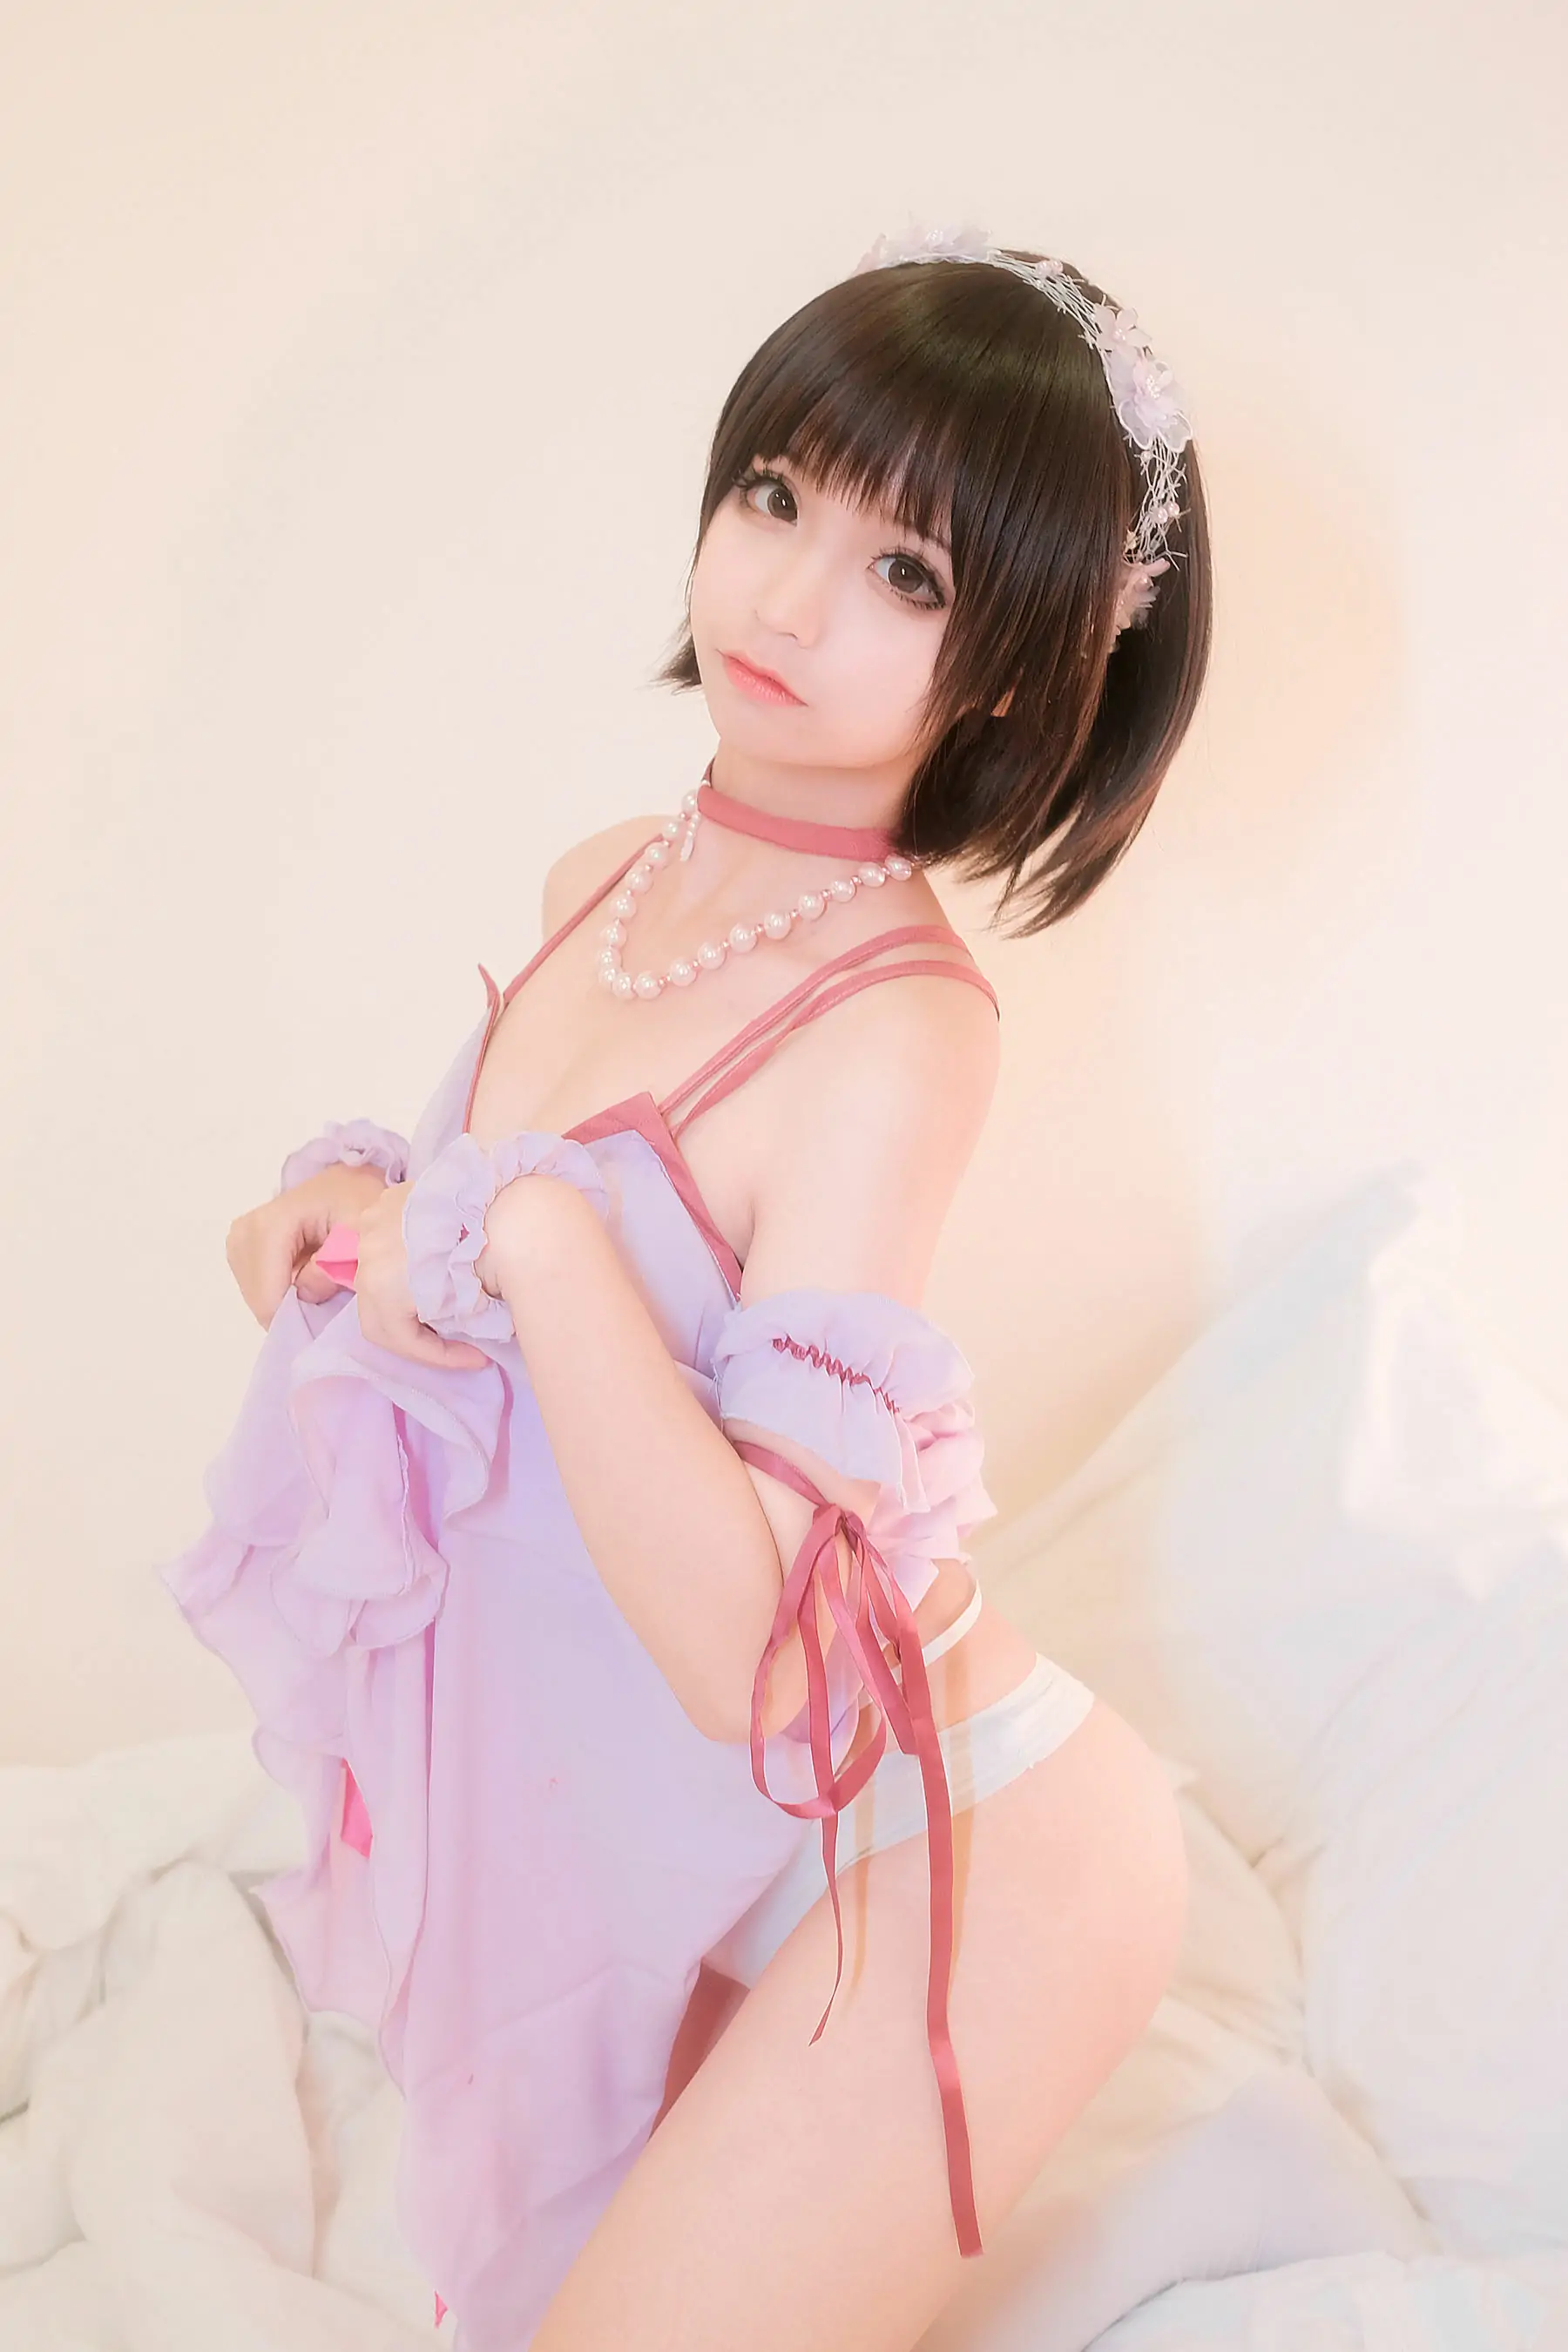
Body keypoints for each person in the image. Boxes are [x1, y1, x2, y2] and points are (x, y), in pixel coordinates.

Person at [162, 220, 1208, 2352]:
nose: (789, 598)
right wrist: (347, 1217)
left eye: (905, 572)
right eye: (773, 495)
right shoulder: (606, 886)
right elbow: (479, 1310)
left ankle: (1182, 2169)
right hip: (659, 1827)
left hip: (930, 1844)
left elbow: (757, 1662)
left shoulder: (900, 1030)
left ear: (1014, 669)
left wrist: (532, 1247)